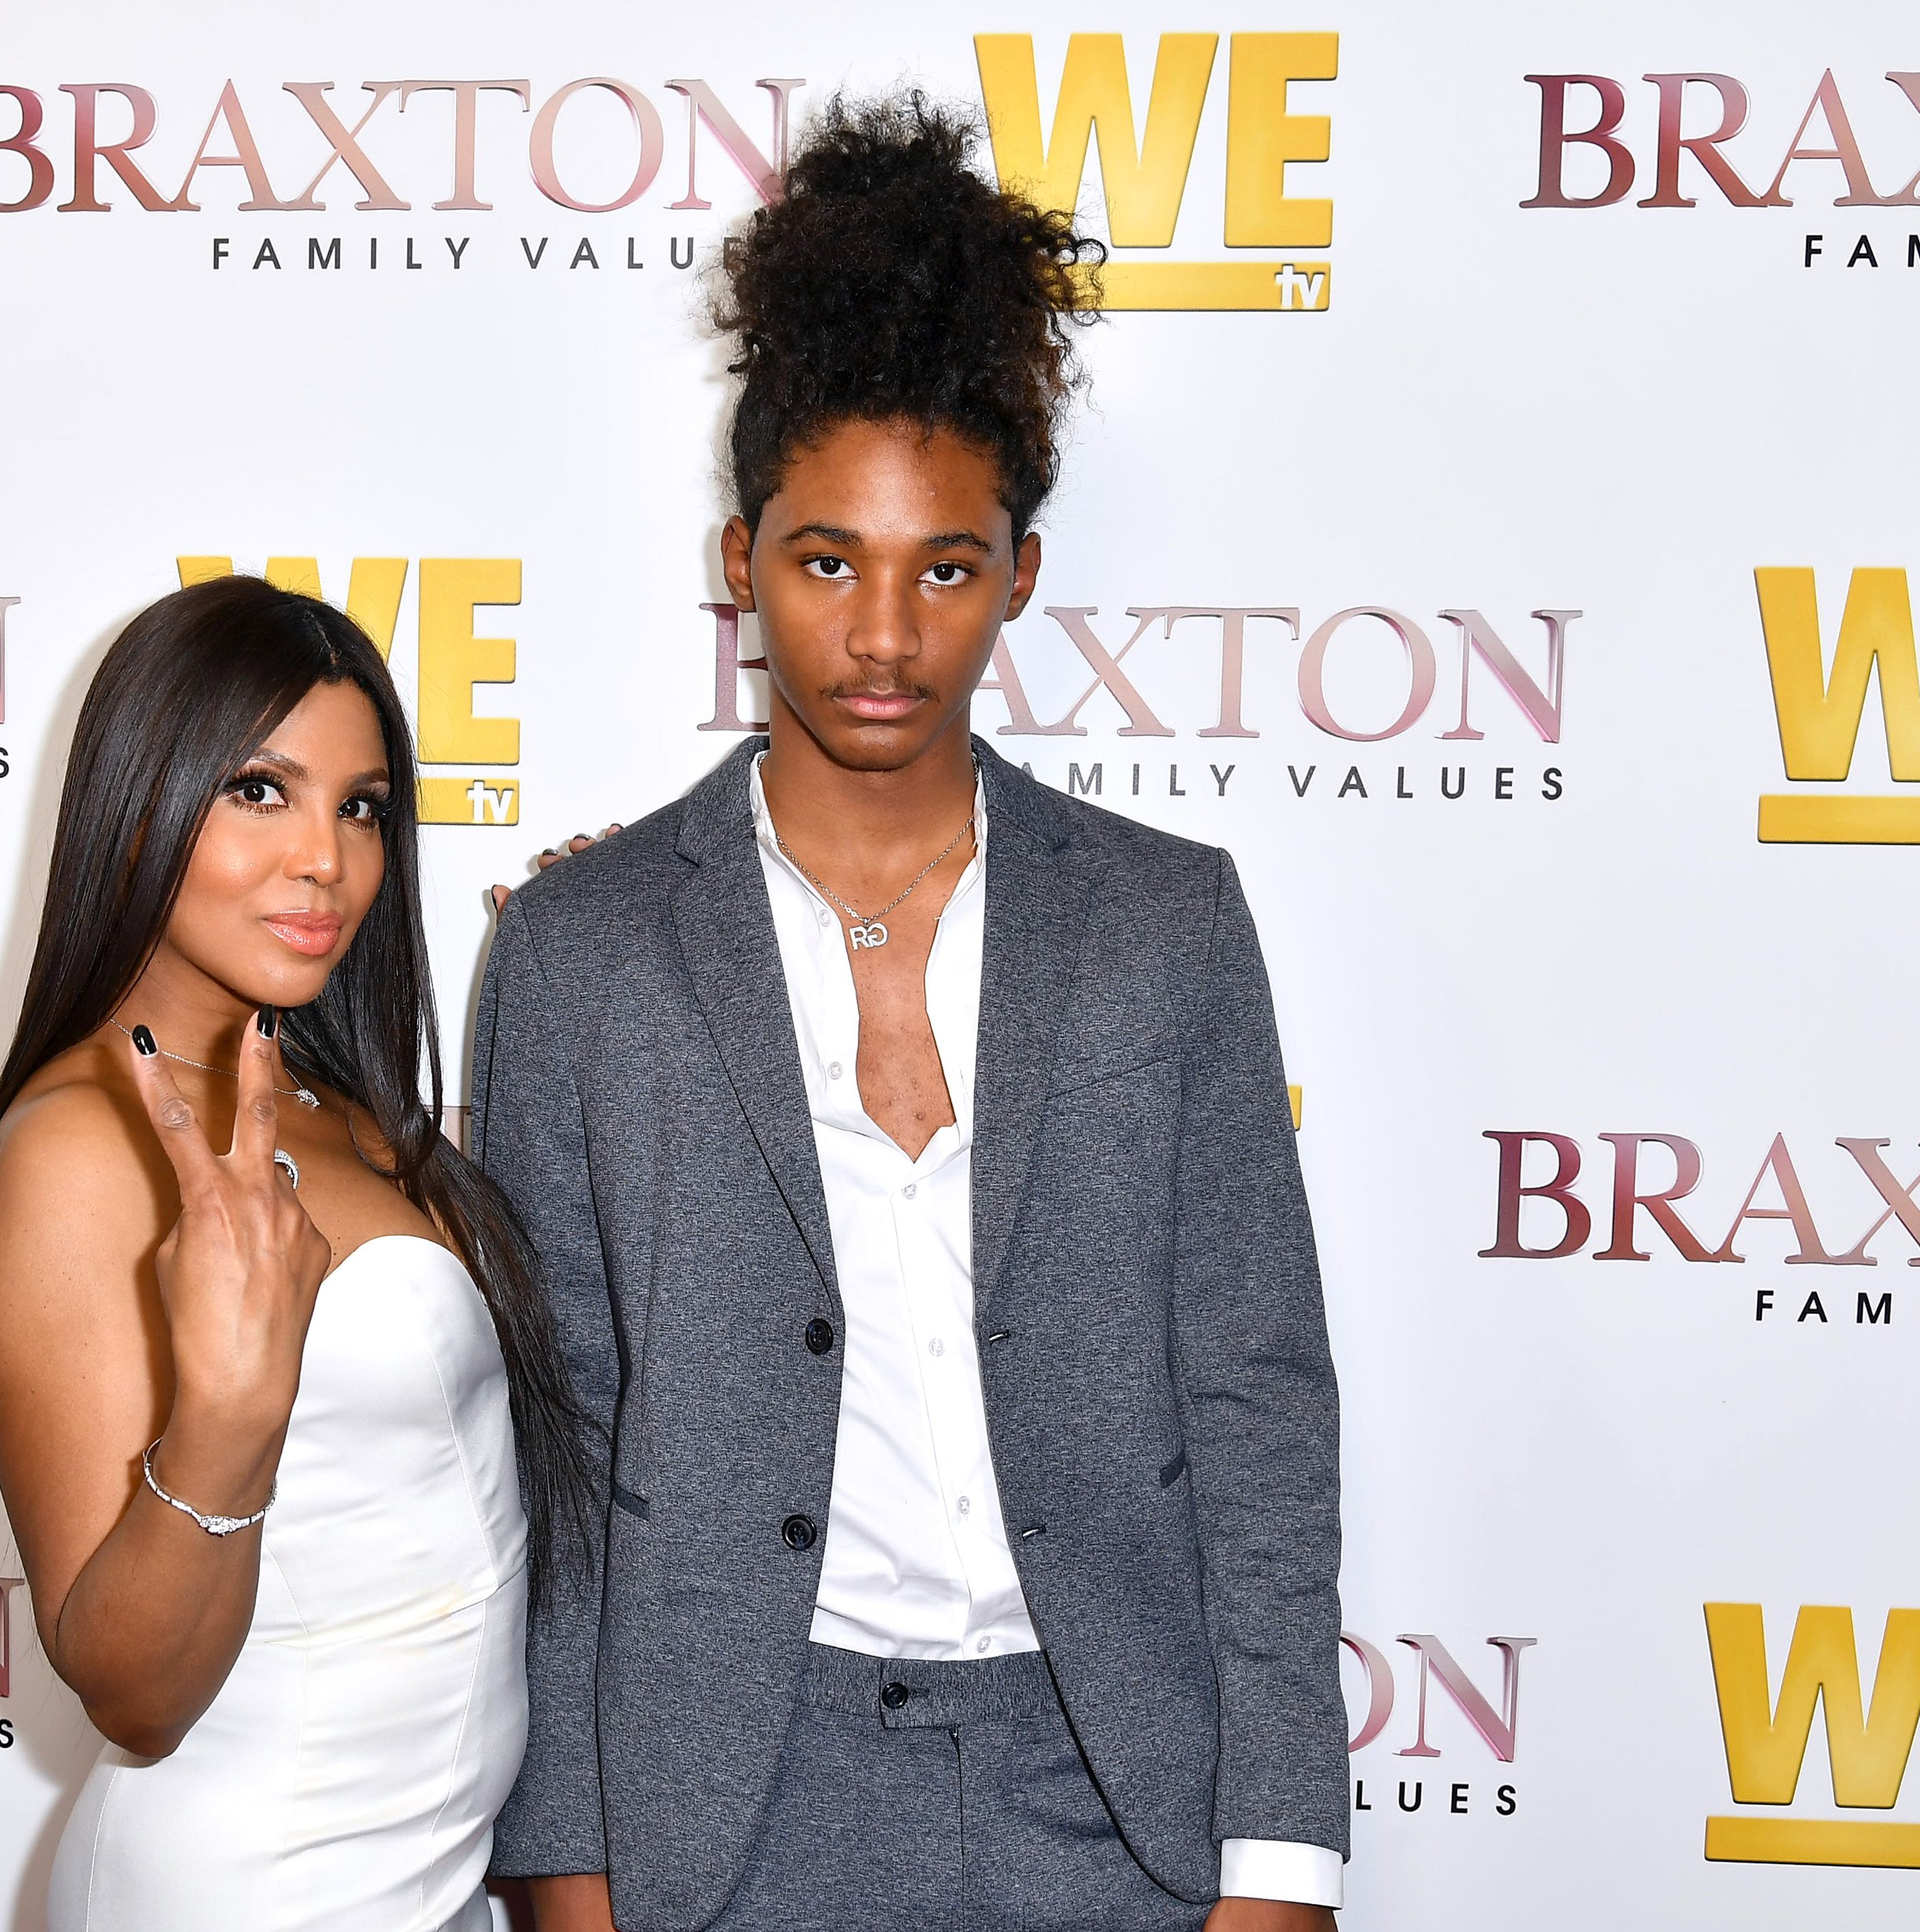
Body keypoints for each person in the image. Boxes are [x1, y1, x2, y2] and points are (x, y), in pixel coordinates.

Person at [476, 99, 1346, 1932]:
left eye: (942, 566)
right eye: (824, 561)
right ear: (740, 560)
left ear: (1017, 573)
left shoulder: (1164, 925)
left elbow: (1257, 1406)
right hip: (730, 1803)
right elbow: (559, 1454)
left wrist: (1279, 1860)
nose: (882, 632)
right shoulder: (579, 948)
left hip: (1115, 1794)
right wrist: (564, 1867)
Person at [0, 575, 590, 1931]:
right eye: (261, 790)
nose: (327, 858)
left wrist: (607, 976)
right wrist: (231, 1416)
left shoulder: (330, 1093)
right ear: (142, 797)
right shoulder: (77, 1153)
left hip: (437, 1884)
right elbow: (134, 1696)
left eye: (360, 806)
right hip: (251, 1890)